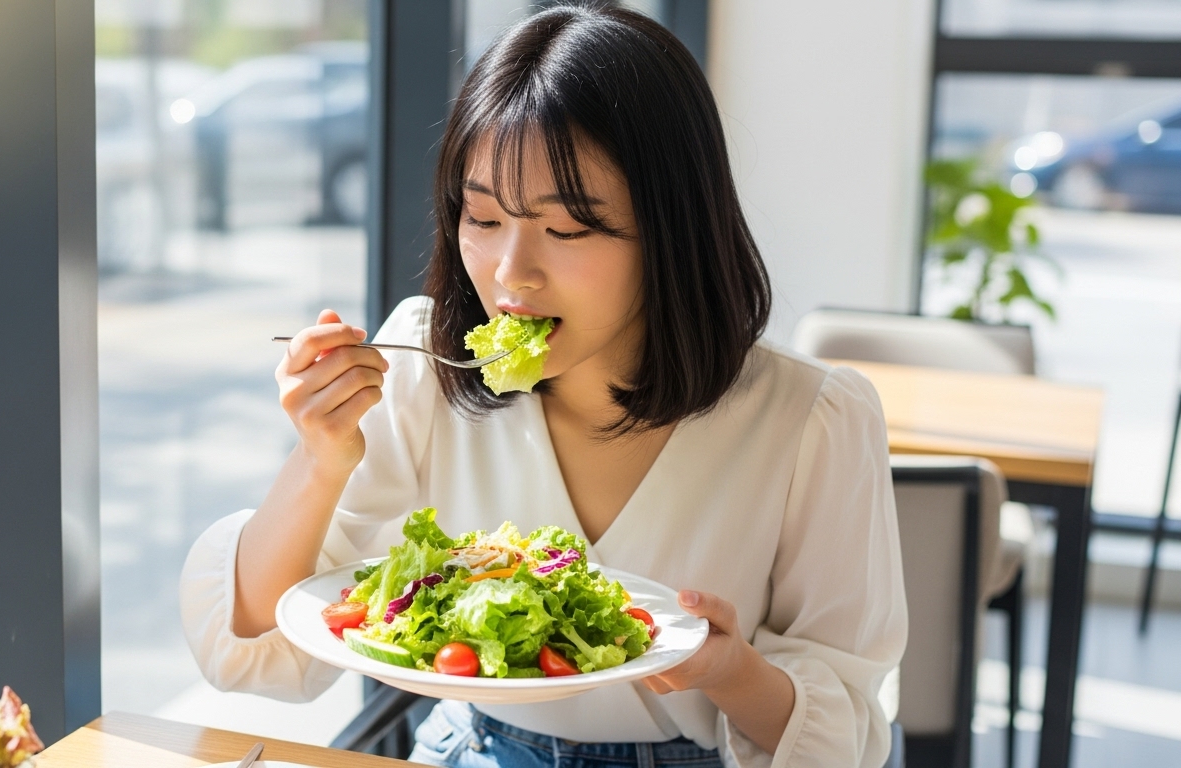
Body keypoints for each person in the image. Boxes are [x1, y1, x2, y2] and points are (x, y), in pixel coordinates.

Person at [180, 6, 906, 767]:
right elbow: (258, 646)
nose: (510, 275)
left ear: (673, 229)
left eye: (567, 231)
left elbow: (850, 734)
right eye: (484, 218)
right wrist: (320, 458)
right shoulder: (424, 368)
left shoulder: (812, 418)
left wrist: (730, 670)